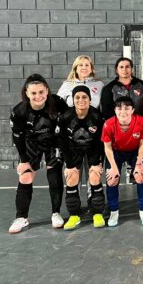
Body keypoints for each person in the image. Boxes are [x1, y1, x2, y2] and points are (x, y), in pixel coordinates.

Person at [9, 74, 69, 234]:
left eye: (41, 92)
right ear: (26, 93)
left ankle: (55, 213)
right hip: (31, 143)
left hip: (53, 142)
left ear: (47, 91)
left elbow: (68, 122)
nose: (38, 96)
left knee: (54, 174)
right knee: (26, 176)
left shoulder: (57, 103)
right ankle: (21, 217)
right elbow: (17, 137)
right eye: (33, 93)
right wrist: (23, 160)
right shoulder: (19, 112)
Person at [101, 57, 143, 207]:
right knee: (112, 171)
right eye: (121, 67)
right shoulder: (109, 89)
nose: (125, 70)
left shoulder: (142, 85)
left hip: (138, 133)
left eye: (127, 67)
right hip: (118, 135)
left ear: (132, 69)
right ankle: (112, 206)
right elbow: (106, 112)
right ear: (116, 70)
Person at [58, 86, 105, 230]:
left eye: (84, 97)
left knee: (95, 176)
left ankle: (97, 213)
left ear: (90, 99)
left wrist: (96, 162)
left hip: (93, 149)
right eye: (77, 97)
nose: (81, 100)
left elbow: (100, 141)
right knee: (72, 177)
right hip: (73, 150)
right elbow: (63, 142)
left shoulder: (96, 116)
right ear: (73, 100)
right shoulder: (66, 117)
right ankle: (74, 215)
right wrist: (70, 164)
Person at [101, 96, 143, 227]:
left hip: (135, 151)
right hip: (116, 152)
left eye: (127, 108)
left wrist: (139, 164)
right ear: (115, 110)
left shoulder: (142, 121)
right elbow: (107, 147)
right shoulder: (108, 124)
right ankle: (114, 212)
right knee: (112, 179)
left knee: (141, 176)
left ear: (133, 109)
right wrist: (113, 167)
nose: (123, 111)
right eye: (119, 108)